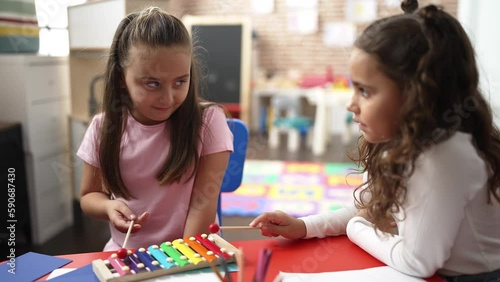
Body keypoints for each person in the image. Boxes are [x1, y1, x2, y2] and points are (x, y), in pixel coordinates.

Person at [250, 0, 500, 280]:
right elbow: (368, 206)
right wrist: (305, 226)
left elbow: (416, 261)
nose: (351, 104)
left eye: (365, 91)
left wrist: (357, 228)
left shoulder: (445, 156)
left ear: (415, 95)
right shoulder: (404, 141)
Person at [77, 7, 233, 251]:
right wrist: (108, 207)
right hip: (126, 254)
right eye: (152, 83)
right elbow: (89, 196)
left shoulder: (209, 121)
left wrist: (180, 265)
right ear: (121, 78)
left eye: (180, 81)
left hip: (190, 252)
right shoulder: (102, 128)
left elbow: (202, 206)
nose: (168, 97)